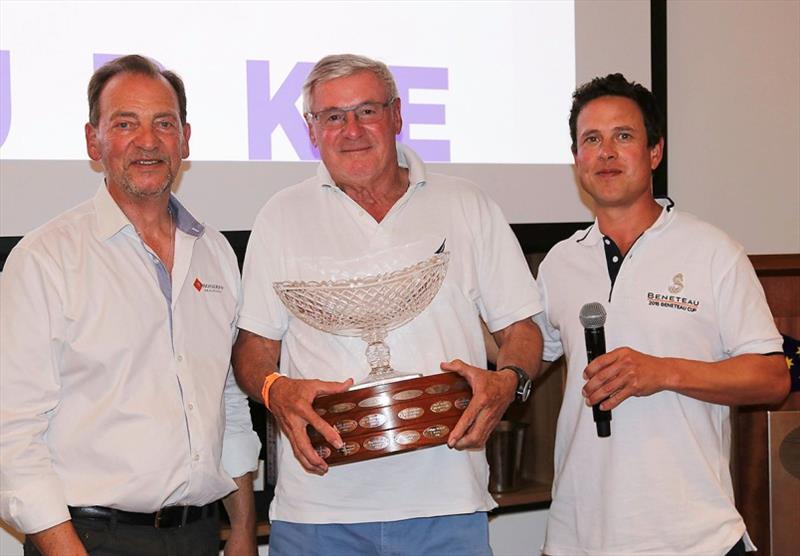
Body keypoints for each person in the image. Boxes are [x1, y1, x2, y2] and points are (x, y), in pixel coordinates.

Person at [232, 53, 543, 556]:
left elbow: (521, 330)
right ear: (312, 130)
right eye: (332, 117)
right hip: (319, 510)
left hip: (446, 504)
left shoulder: (467, 204)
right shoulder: (280, 216)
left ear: (397, 116)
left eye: (367, 111)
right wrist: (275, 390)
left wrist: (508, 382)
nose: (351, 130)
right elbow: (253, 349)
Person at [0, 55, 261, 556]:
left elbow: (226, 404)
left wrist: (244, 530)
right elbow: (12, 433)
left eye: (163, 124)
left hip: (200, 536)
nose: (148, 141)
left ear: (185, 140)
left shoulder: (216, 253)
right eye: (125, 124)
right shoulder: (44, 259)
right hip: (89, 540)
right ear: (92, 141)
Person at [535, 73, 790, 556]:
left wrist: (662, 371)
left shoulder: (713, 251)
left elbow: (772, 378)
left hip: (694, 539)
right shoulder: (559, 263)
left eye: (623, 136)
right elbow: (525, 352)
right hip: (578, 538)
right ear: (576, 160)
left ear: (655, 152)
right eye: (592, 139)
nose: (606, 152)